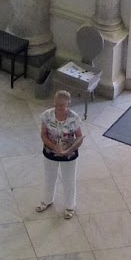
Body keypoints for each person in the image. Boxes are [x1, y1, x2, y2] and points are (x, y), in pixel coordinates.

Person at [36, 89, 84, 220]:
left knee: (69, 180)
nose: (59, 108)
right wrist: (54, 147)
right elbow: (44, 134)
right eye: (57, 105)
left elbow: (79, 137)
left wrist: (68, 150)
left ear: (68, 104)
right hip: (50, 151)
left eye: (62, 106)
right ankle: (47, 200)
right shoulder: (47, 115)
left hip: (69, 154)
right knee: (49, 177)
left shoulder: (74, 118)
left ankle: (70, 206)